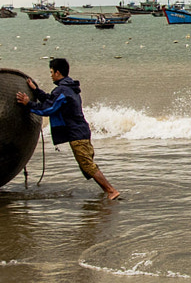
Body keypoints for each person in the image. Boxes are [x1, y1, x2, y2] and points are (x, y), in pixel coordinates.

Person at [17, 57, 120, 199]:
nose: (51, 75)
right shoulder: (69, 88)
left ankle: (111, 190)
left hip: (77, 133)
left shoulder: (62, 90)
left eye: (52, 72)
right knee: (87, 165)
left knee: (87, 165)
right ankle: (108, 191)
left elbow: (49, 108)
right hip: (82, 131)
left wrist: (28, 104)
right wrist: (36, 91)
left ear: (58, 72)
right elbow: (51, 100)